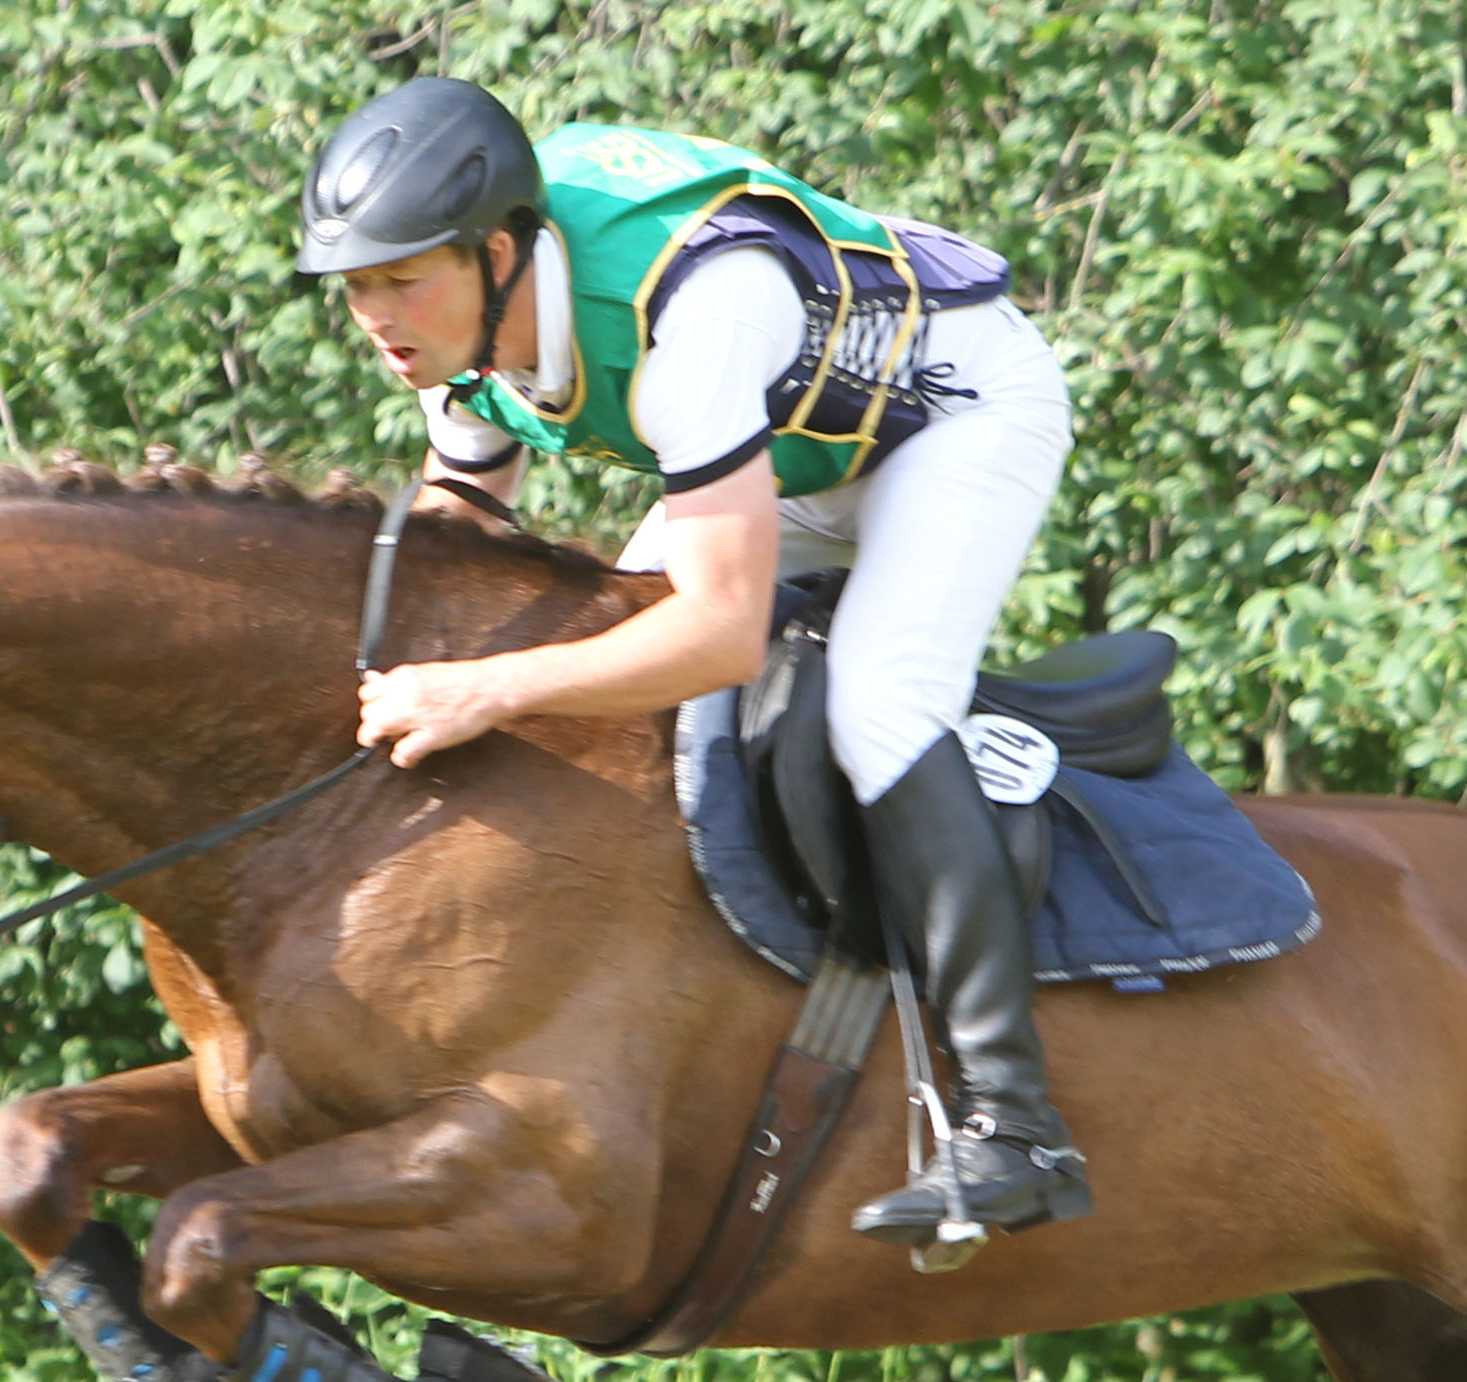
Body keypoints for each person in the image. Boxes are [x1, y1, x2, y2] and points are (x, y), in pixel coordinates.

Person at [298, 77, 1090, 1250]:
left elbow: (718, 633)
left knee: (878, 700)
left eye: (401, 277)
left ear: (500, 253)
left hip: (954, 415)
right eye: (357, 286)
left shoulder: (693, 317)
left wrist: (487, 688)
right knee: (601, 678)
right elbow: (456, 539)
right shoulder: (465, 331)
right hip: (803, 447)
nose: (376, 314)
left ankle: (1015, 1129)